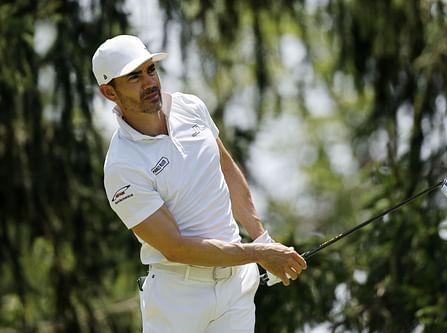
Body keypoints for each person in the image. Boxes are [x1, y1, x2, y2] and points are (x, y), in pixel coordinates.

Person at [92, 35, 307, 333]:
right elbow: (177, 248)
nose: (149, 83)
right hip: (177, 300)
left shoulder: (190, 107)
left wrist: (261, 238)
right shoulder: (122, 166)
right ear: (109, 92)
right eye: (134, 77)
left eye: (150, 70)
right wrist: (259, 254)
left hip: (236, 288)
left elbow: (227, 169)